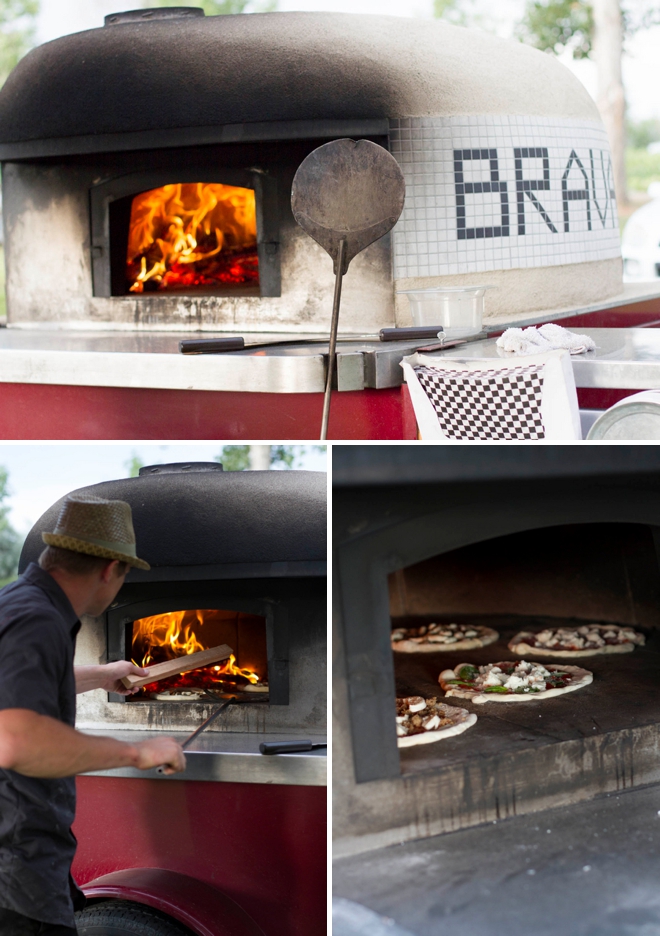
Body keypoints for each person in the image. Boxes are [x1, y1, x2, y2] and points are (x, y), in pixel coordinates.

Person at [0, 493, 186, 936]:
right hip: (16, 867)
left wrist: (102, 674)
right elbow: (16, 739)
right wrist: (138, 751)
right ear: (109, 569)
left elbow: (24, 686)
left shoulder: (18, 602)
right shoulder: (40, 620)